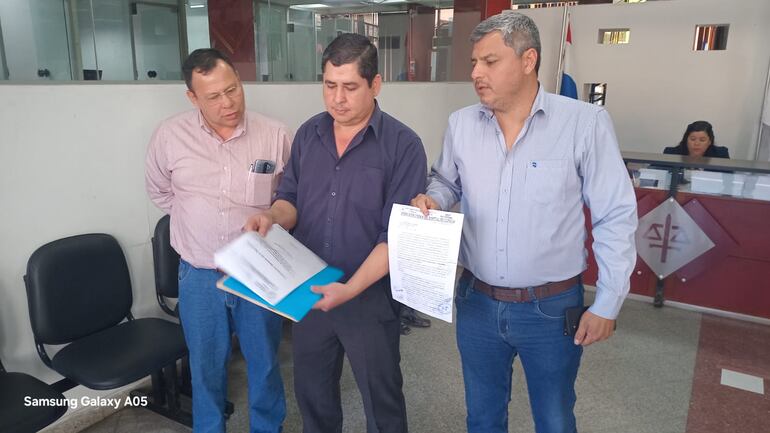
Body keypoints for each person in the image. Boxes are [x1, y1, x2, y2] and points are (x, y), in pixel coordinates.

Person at [411, 11, 638, 433]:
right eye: (474, 62)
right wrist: (434, 199)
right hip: (476, 301)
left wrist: (608, 302)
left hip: (550, 308)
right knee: (482, 416)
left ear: (528, 60)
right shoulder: (462, 124)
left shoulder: (583, 123)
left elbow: (615, 215)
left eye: (489, 61)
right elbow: (446, 180)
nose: (476, 73)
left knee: (554, 419)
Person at [244, 33, 426, 433]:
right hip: (309, 289)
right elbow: (291, 199)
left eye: (350, 87)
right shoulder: (309, 134)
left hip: (369, 299)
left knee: (382, 402)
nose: (337, 99)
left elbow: (395, 235)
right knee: (314, 397)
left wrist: (350, 289)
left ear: (375, 85)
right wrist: (271, 217)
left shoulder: (403, 145)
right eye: (329, 86)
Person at [145, 48, 291, 433]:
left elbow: (290, 197)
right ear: (192, 97)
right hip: (199, 275)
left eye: (233, 89)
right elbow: (160, 191)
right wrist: (196, 219)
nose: (228, 103)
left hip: (257, 271)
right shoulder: (169, 136)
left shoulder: (275, 135)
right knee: (205, 367)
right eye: (213, 96)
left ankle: (267, 428)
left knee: (265, 363)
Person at [664, 120, 729, 158]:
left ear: (709, 142)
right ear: (686, 140)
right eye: (692, 139)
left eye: (702, 140)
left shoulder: (721, 155)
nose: (696, 143)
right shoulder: (671, 154)